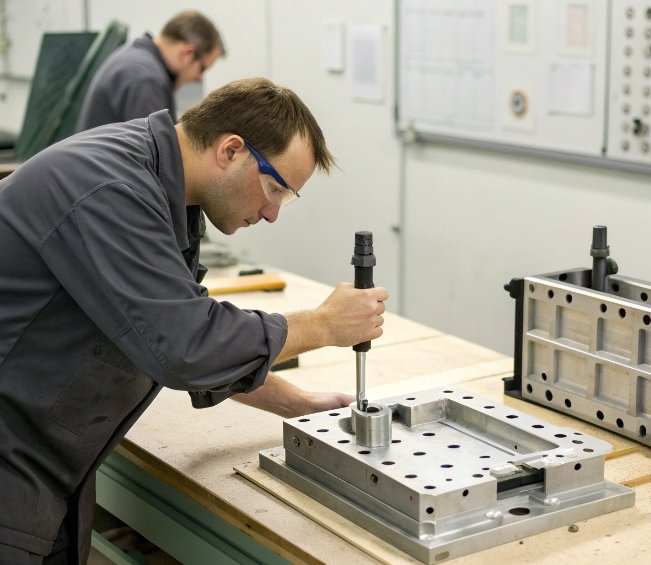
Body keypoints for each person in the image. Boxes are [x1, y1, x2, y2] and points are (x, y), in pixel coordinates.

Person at [0, 77, 388, 563]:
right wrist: (324, 325)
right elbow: (186, 346)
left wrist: (298, 404)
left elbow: (175, 329)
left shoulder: (163, 193)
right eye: (275, 189)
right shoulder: (109, 187)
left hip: (47, 461)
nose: (272, 213)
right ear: (230, 150)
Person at [76, 10, 225, 132]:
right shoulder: (146, 79)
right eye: (202, 68)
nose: (199, 77)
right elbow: (160, 154)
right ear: (186, 53)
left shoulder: (138, 60)